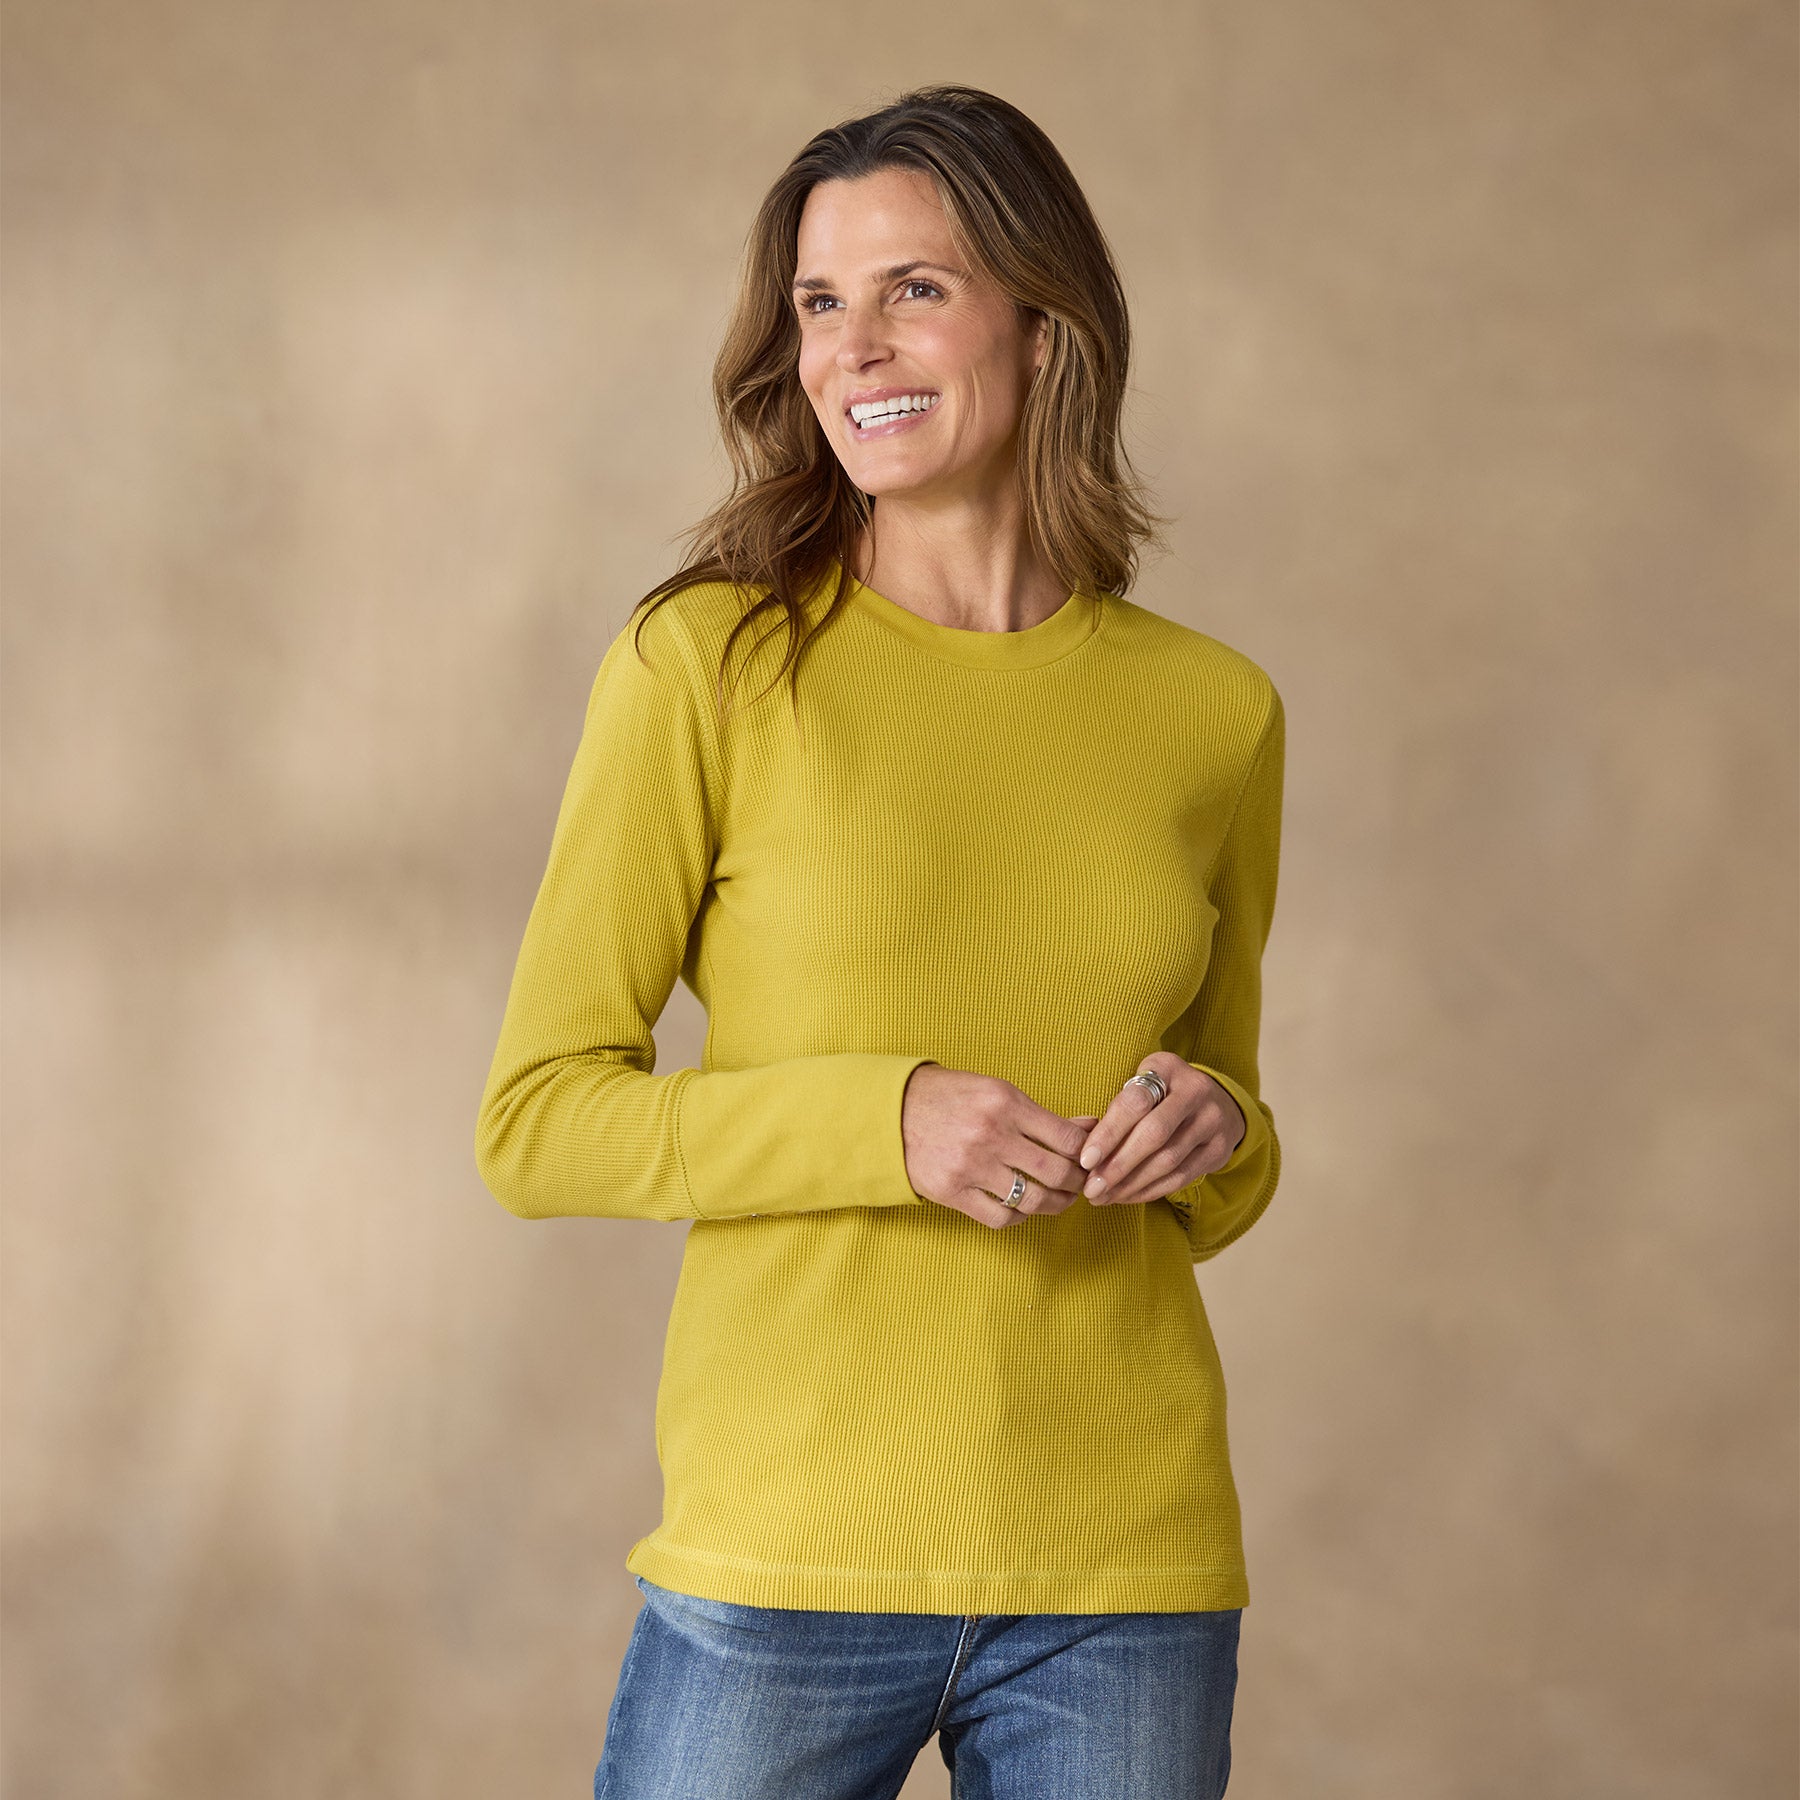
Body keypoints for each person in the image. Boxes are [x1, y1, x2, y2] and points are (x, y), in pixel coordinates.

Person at [475, 82, 1285, 1800]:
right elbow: (537, 1122)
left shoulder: (1214, 712)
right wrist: (883, 1120)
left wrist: (1215, 1126)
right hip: (788, 1550)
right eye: (821, 303)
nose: (855, 348)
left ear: (1044, 324)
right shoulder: (710, 665)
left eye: (914, 288)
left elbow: (1226, 1139)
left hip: (1125, 1568)